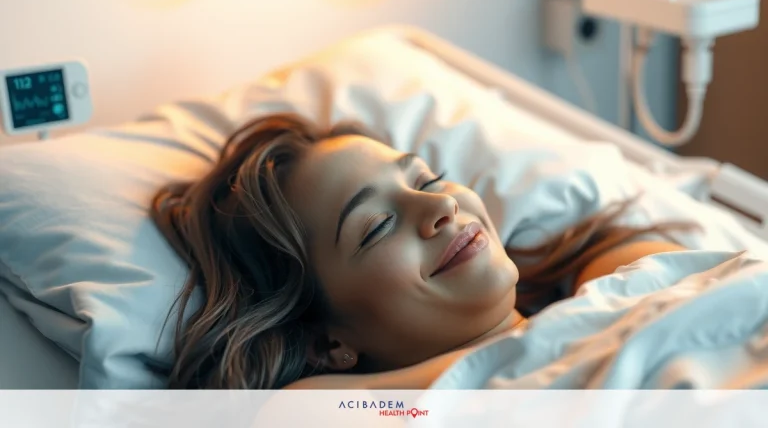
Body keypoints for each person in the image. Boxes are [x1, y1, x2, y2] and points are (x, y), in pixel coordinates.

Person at [150, 112, 696, 390]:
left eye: (427, 180)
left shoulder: (607, 274)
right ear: (329, 342)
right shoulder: (353, 412)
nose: (440, 207)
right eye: (377, 226)